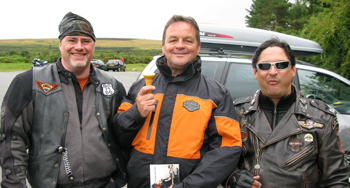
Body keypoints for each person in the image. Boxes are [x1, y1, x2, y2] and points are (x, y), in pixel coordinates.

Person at [0, 12, 128, 188]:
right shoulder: (29, 83)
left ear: (93, 46)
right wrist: (14, 183)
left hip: (104, 184)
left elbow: (126, 134)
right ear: (60, 45)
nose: (79, 46)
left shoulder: (113, 87)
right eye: (72, 40)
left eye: (86, 41)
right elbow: (12, 139)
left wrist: (117, 179)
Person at [114, 15, 242, 188]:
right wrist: (135, 113)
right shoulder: (140, 88)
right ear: (164, 47)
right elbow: (117, 137)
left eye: (187, 40)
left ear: (198, 48)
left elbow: (226, 150)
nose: (180, 45)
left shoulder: (217, 95)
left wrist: (189, 185)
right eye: (173, 40)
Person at [226, 38, 350, 188]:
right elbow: (218, 159)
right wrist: (232, 176)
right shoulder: (237, 113)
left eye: (281, 65)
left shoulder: (321, 118)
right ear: (255, 72)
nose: (273, 72)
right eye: (265, 66)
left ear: (293, 70)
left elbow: (336, 180)